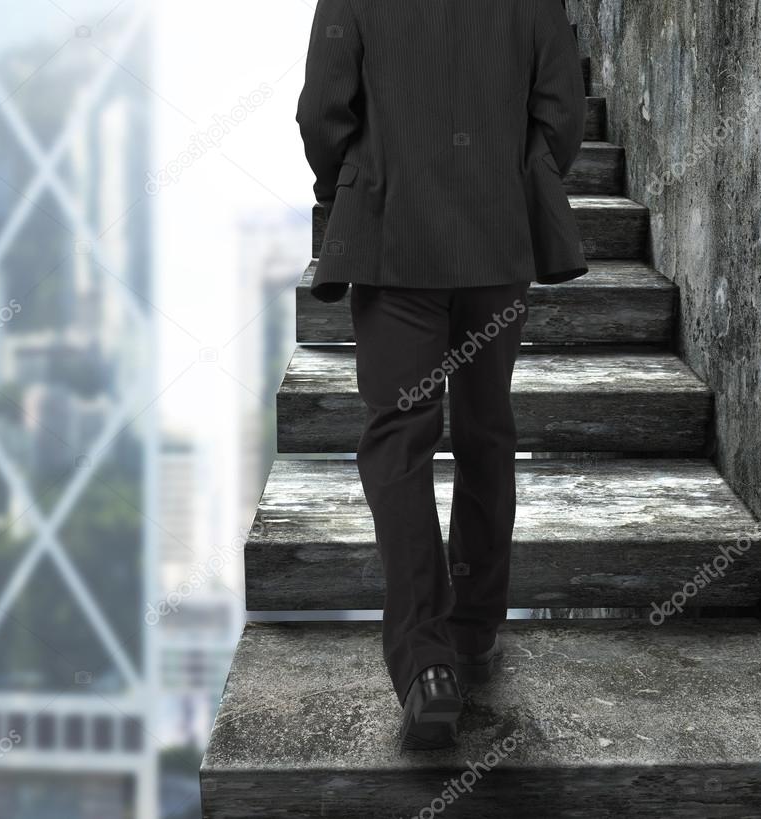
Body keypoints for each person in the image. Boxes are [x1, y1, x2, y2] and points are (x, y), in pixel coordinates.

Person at [296, 0, 587, 751]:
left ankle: (427, 663)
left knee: (399, 439)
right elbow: (559, 111)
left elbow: (322, 113)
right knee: (488, 430)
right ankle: (477, 624)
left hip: (396, 241)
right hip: (496, 240)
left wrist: (351, 186)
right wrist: (517, 178)